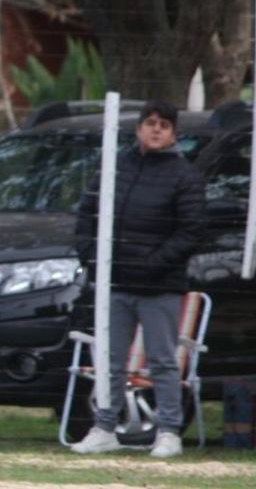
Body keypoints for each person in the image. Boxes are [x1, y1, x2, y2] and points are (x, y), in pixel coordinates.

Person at [72, 99, 205, 458]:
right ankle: (104, 426)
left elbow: (190, 232)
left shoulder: (185, 176)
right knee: (110, 359)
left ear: (174, 132)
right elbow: (87, 214)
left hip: (159, 285)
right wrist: (91, 254)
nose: (156, 129)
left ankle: (169, 431)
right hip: (114, 283)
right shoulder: (115, 168)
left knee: (162, 359)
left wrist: (153, 264)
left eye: (164, 123)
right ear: (138, 128)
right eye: (150, 122)